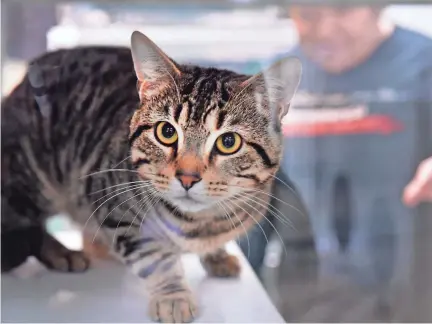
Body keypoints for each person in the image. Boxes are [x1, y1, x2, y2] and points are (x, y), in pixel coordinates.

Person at [238, 5, 432, 282]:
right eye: (308, 14)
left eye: (343, 9)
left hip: (412, 288)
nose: (325, 30)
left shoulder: (423, 65)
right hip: (306, 295)